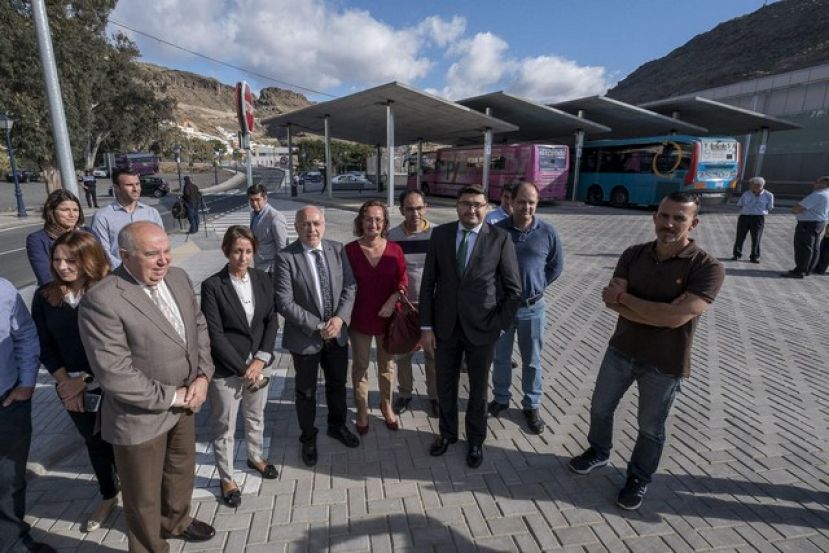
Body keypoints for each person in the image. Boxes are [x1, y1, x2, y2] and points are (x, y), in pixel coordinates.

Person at [569, 192, 725, 511]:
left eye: (679, 218)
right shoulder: (633, 254)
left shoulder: (707, 267)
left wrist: (628, 301)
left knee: (650, 428)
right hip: (620, 350)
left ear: (693, 223)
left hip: (665, 363)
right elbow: (609, 300)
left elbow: (676, 317)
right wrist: (658, 312)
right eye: (664, 215)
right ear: (654, 217)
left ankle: (639, 477)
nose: (669, 223)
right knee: (600, 409)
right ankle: (598, 452)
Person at [78, 221, 215, 552]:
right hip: (138, 417)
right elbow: (114, 372)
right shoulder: (102, 300)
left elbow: (198, 327)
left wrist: (203, 375)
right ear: (124, 255)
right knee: (143, 496)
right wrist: (173, 395)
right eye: (152, 254)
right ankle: (150, 546)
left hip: (186, 400)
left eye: (166, 251)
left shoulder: (179, 278)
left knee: (180, 472)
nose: (164, 260)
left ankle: (176, 521)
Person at [420, 185, 522, 468]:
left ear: (487, 207)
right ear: (457, 206)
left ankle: (475, 440)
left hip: (483, 328)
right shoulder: (440, 235)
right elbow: (429, 284)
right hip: (445, 327)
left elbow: (514, 290)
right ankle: (447, 434)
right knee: (445, 384)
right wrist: (426, 327)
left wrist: (499, 327)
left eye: (477, 204)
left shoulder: (500, 239)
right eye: (466, 204)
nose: (471, 210)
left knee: (478, 390)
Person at [30, 231, 119, 533]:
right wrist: (64, 382)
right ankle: (109, 495)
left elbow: (121, 345)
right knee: (94, 443)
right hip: (70, 385)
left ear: (89, 258)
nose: (63, 266)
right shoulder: (45, 297)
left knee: (123, 442)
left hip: (112, 381)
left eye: (71, 260)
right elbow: (42, 344)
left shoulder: (110, 290)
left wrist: (85, 379)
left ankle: (139, 496)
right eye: (57, 259)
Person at [273, 206, 360, 467]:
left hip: (337, 334)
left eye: (316, 223)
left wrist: (340, 319)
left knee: (336, 385)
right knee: (306, 392)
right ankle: (308, 437)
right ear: (297, 228)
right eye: (305, 224)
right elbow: (284, 302)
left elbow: (350, 286)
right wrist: (319, 325)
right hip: (306, 337)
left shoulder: (336, 249)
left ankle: (337, 425)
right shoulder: (286, 257)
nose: (311, 229)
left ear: (324, 225)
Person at [200, 226, 279, 508]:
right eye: (237, 251)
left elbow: (271, 319)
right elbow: (215, 333)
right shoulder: (212, 285)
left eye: (248, 251)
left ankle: (255, 456)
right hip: (227, 369)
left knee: (256, 416)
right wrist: (243, 367)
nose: (243, 257)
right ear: (226, 252)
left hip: (258, 365)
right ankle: (227, 477)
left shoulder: (262, 278)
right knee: (225, 425)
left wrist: (261, 359)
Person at [489, 182, 564, 435]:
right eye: (522, 201)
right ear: (511, 202)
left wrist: (537, 285)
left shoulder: (548, 232)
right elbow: (487, 267)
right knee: (500, 357)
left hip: (533, 308)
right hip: (502, 308)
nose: (527, 206)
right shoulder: (497, 231)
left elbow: (555, 266)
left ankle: (531, 405)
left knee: (532, 360)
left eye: (532, 202)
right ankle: (500, 398)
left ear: (537, 203)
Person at [0, 278, 56, 553]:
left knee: (10, 478)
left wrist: (26, 383)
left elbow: (24, 335)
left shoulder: (3, 289)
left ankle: (12, 542)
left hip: (8, 403)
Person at [345, 201, 408, 434]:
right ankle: (361, 409)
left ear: (384, 223)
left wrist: (394, 300)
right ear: (361, 221)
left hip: (387, 320)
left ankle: (386, 405)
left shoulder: (395, 250)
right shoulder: (349, 251)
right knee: (360, 366)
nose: (373, 223)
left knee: (387, 366)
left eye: (378, 219)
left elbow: (403, 281)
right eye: (369, 219)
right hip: (359, 319)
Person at [387, 190, 438, 417]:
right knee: (403, 355)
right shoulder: (392, 236)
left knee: (432, 354)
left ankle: (435, 397)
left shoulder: (437, 234)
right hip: (405, 307)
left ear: (425, 207)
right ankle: (405, 394)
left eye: (419, 208)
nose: (415, 213)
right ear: (401, 211)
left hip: (432, 306)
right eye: (409, 208)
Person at [92, 168, 163, 268]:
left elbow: (161, 244)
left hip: (151, 271)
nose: (135, 189)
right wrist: (126, 270)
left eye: (137, 184)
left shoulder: (151, 213)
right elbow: (102, 251)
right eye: (129, 185)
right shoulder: (102, 216)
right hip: (120, 275)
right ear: (116, 188)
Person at [26, 190, 90, 286]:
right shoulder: (37, 239)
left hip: (93, 288)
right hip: (59, 293)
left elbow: (102, 264)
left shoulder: (88, 232)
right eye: (65, 210)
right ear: (51, 212)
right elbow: (46, 277)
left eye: (76, 210)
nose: (72, 215)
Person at [781, 176, 829, 278]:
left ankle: (800, 270)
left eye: (817, 182)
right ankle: (808, 269)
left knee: (804, 247)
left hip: (808, 223)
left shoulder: (818, 195)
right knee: (814, 247)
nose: (814, 184)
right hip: (819, 222)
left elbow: (797, 209)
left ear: (825, 183)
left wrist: (795, 208)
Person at [731, 176, 774, 263]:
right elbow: (739, 204)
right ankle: (736, 254)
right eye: (750, 185)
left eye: (752, 185)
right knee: (740, 236)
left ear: (759, 185)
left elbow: (770, 208)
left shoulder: (768, 195)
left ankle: (754, 256)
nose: (750, 187)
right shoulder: (746, 194)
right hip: (744, 217)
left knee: (756, 238)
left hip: (758, 218)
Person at [247, 184, 288, 272]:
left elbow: (282, 247)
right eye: (251, 200)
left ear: (265, 198)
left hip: (270, 269)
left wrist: (277, 270)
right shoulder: (253, 214)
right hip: (258, 266)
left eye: (258, 200)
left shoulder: (276, 217)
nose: (254, 203)